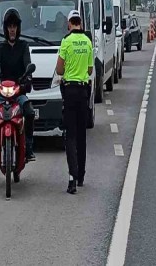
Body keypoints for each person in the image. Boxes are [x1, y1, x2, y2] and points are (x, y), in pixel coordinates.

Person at [0, 9, 35, 189]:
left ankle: (29, 147)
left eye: (15, 26)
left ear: (18, 28)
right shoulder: (1, 48)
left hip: (19, 93)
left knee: (30, 112)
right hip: (3, 95)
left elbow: (28, 64)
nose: (12, 29)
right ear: (6, 28)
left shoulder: (24, 46)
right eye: (9, 26)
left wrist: (27, 79)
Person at [56, 10, 93, 195]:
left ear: (70, 23)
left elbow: (59, 69)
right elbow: (90, 68)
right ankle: (81, 176)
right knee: (81, 135)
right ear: (81, 23)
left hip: (69, 91)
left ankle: (72, 177)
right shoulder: (87, 41)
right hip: (83, 91)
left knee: (70, 136)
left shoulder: (66, 41)